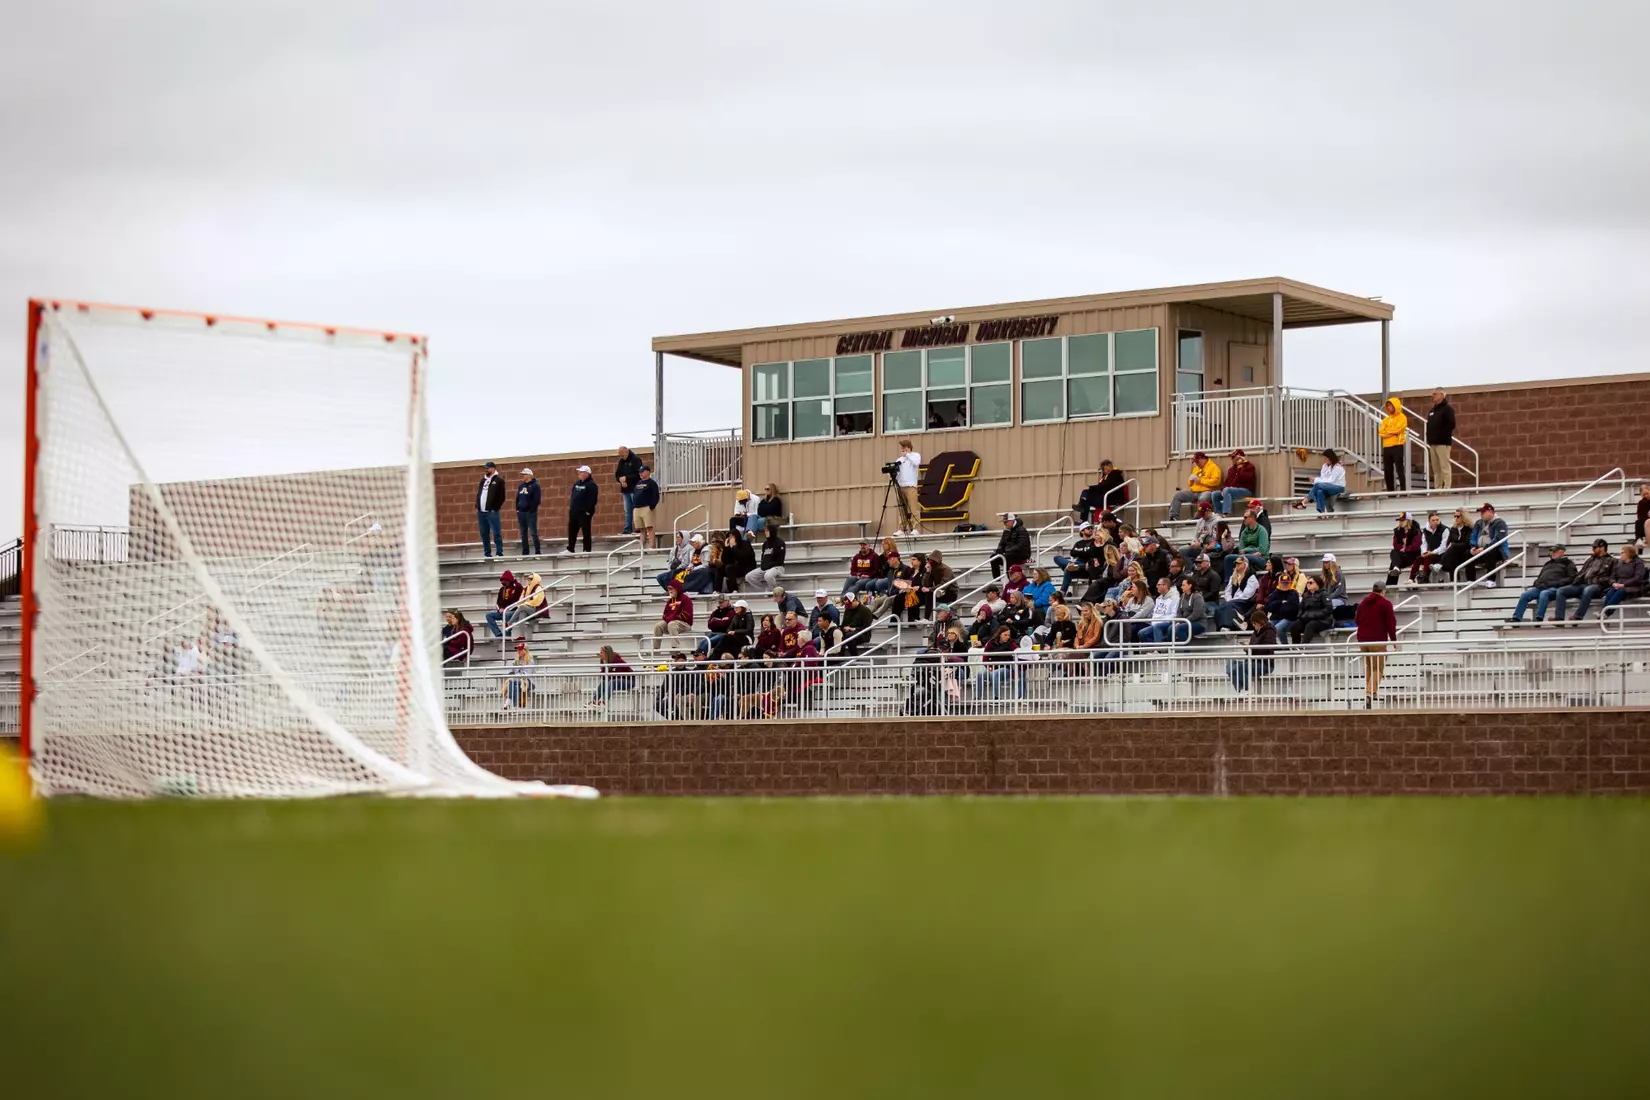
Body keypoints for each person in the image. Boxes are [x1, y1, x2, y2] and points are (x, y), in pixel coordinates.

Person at [1509, 545, 1578, 624]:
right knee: (1525, 595)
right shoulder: (1548, 564)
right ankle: (1516, 618)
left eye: (1554, 552)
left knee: (1544, 593)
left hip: (1555, 588)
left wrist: (1556, 583)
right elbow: (1540, 577)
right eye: (1552, 552)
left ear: (1561, 552)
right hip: (1542, 587)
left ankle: (1539, 618)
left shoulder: (1569, 564)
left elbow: (1572, 578)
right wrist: (1537, 583)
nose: (1552, 553)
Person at [1355, 580, 1398, 707]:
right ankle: (1370, 693)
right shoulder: (1385, 604)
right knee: (1378, 668)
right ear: (1383, 591)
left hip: (1363, 641)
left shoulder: (1363, 602)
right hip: (1377, 640)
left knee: (1369, 666)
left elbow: (1357, 620)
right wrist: (1394, 640)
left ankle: (1371, 692)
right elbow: (1391, 624)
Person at [1556, 539, 1616, 621]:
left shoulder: (1611, 560)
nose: (1593, 549)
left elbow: (1612, 577)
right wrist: (1576, 580)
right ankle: (1559, 618)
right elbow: (1581, 572)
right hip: (1584, 584)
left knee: (1588, 590)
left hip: (1599, 587)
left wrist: (1596, 580)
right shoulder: (1590, 559)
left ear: (1602, 548)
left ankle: (1578, 616)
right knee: (1561, 590)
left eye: (1595, 547)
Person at [1227, 608, 1278, 692]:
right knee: (1231, 665)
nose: (1253, 625)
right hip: (1252, 661)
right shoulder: (1255, 632)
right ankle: (1241, 690)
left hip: (1265, 664)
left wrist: (1250, 647)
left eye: (1254, 623)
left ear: (1260, 622)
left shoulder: (1270, 631)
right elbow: (1253, 648)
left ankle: (1247, 689)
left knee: (1239, 667)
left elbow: (1266, 648)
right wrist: (1247, 648)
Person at [1463, 503, 1508, 587]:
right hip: (1481, 550)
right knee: (1467, 553)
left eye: (1483, 512)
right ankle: (1471, 580)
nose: (1481, 514)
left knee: (1490, 552)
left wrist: (1485, 549)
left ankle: (1491, 580)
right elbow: (1473, 536)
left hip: (1498, 551)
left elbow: (1498, 540)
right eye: (1481, 512)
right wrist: (1474, 547)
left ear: (1491, 512)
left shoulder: (1500, 523)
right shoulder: (1478, 523)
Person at [1168, 451, 1222, 519]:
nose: (1196, 464)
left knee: (1203, 498)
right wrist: (1191, 480)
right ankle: (1173, 517)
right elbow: (1190, 485)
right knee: (1178, 495)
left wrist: (1201, 481)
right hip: (1194, 491)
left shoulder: (1213, 467)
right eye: (1195, 462)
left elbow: (1216, 481)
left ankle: (1198, 518)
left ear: (1202, 459)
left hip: (1207, 491)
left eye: (1197, 462)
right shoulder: (1196, 469)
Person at [1600, 545, 1647, 616]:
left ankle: (1605, 613)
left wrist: (1624, 584)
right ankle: (1604, 613)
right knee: (1610, 591)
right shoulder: (1619, 563)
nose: (1620, 554)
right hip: (1619, 585)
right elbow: (1612, 576)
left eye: (1622, 553)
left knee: (1620, 591)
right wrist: (1613, 583)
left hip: (1633, 587)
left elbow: (1638, 578)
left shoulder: (1638, 563)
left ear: (1629, 553)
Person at [564, 465, 599, 555]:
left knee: (586, 531)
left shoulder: (591, 485)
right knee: (572, 530)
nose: (579, 473)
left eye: (581, 472)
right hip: (574, 512)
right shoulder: (577, 483)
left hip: (584, 513)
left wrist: (587, 511)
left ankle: (586, 550)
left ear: (587, 473)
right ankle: (570, 549)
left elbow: (593, 500)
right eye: (579, 472)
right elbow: (573, 496)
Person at [1425, 390, 1456, 490]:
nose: (1433, 396)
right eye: (1432, 394)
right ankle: (1437, 489)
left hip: (1443, 443)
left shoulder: (1448, 409)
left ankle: (1446, 488)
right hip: (1433, 443)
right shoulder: (1432, 411)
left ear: (1442, 395)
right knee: (1436, 469)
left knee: (1444, 466)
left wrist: (1442, 435)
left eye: (1435, 394)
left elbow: (1451, 424)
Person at [651, 581, 694, 652]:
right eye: (669, 589)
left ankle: (675, 649)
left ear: (677, 589)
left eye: (671, 589)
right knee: (658, 625)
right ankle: (656, 649)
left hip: (684, 624)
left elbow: (686, 614)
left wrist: (673, 618)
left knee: (672, 624)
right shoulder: (670, 601)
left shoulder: (686, 599)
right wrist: (669, 618)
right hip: (671, 623)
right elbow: (665, 614)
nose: (670, 591)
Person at [1263, 565, 1301, 644]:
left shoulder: (1294, 593)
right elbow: (1268, 606)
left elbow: (1293, 609)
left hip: (1289, 619)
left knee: (1278, 628)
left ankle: (1285, 647)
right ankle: (1273, 646)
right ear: (1279, 583)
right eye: (1283, 583)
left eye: (1287, 583)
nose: (1285, 585)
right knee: (1267, 629)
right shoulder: (1275, 592)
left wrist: (1277, 607)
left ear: (1290, 583)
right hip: (1275, 618)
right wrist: (1280, 602)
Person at [1228, 509, 1270, 580]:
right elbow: (1241, 549)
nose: (1243, 519)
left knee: (1246, 557)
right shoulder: (1244, 532)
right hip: (1247, 555)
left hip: (1261, 558)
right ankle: (1229, 581)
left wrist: (1246, 550)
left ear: (1252, 518)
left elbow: (1262, 550)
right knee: (1228, 558)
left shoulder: (1262, 530)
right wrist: (1248, 551)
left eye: (1245, 517)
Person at [475, 460, 505, 560]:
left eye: (487, 468)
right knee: (484, 534)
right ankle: (487, 553)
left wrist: (495, 508)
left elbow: (502, 497)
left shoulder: (499, 480)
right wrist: (477, 506)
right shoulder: (483, 480)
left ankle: (499, 553)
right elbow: (479, 494)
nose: (486, 470)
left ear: (493, 468)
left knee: (496, 533)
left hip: (492, 512)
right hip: (481, 512)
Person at [1292, 577, 1336, 645]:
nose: (1308, 584)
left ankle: (1304, 646)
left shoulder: (1324, 594)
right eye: (1307, 583)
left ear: (1317, 584)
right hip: (1308, 619)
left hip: (1323, 620)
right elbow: (1301, 608)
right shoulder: (1306, 595)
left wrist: (1313, 615)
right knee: (1295, 626)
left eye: (1310, 583)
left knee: (1310, 625)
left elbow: (1328, 609)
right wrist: (1300, 616)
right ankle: (1295, 647)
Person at [893, 440, 924, 535]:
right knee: (902, 508)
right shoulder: (899, 460)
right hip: (901, 486)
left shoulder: (915, 455)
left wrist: (908, 455)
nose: (903, 450)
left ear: (909, 447)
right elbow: (897, 473)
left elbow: (916, 462)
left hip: (911, 486)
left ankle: (916, 528)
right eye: (902, 448)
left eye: (904, 447)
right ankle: (902, 528)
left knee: (914, 508)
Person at [1214, 450, 1258, 515]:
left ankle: (1226, 513)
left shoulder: (1249, 466)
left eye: (1233, 457)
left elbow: (1244, 478)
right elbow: (1226, 482)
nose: (1231, 459)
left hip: (1246, 491)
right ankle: (1219, 514)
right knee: (1215, 494)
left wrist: (1240, 466)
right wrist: (1223, 490)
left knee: (1227, 490)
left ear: (1240, 458)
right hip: (1231, 491)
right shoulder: (1231, 469)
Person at [1378, 396, 1408, 492]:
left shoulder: (1402, 417)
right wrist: (1391, 432)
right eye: (1388, 406)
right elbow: (1381, 433)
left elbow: (1398, 429)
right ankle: (1390, 491)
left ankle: (1403, 490)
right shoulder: (1385, 420)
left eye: (1390, 405)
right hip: (1387, 447)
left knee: (1399, 469)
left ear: (1395, 406)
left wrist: (1388, 431)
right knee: (1387, 471)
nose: (1389, 407)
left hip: (1397, 446)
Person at [1437, 508, 1474, 583]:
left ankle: (1440, 564)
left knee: (1454, 549)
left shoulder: (1469, 529)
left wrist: (1454, 545)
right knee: (1452, 552)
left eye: (1458, 516)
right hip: (1455, 552)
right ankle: (1454, 580)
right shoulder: (1453, 529)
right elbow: (1448, 542)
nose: (1456, 518)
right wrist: (1453, 545)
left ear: (1463, 517)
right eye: (1455, 516)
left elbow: (1467, 543)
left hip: (1465, 550)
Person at [484, 570, 524, 638]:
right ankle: (498, 634)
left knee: (507, 614)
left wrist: (508, 609)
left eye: (506, 582)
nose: (505, 584)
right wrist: (500, 608)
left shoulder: (518, 587)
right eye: (503, 583)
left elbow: (521, 601)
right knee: (489, 615)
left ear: (510, 580)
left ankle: (507, 636)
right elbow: (498, 602)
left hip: (515, 611)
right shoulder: (502, 589)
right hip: (504, 611)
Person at [1386, 512, 1422, 587]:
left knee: (1394, 563)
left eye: (1403, 520)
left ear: (1408, 521)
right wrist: (1403, 548)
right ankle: (1396, 569)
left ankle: (1390, 586)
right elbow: (1395, 545)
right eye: (1400, 520)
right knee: (1393, 552)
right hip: (1403, 556)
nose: (1401, 522)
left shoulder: (1416, 531)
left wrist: (1405, 549)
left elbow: (1415, 547)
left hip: (1413, 556)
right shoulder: (1397, 531)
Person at [990, 513, 1031, 579]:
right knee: (993, 557)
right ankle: (997, 580)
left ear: (1011, 521)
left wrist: (1007, 551)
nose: (1004, 524)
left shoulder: (1021, 530)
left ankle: (1011, 579)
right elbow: (1001, 543)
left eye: (1006, 522)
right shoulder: (1006, 531)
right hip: (1009, 553)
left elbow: (1021, 545)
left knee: (1007, 557)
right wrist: (999, 551)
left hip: (1021, 554)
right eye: (1004, 522)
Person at [614, 446, 643, 535]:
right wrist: (620, 480)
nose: (622, 457)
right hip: (625, 489)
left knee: (636, 508)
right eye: (621, 456)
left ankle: (638, 527)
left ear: (626, 451)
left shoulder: (636, 459)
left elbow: (638, 475)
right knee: (627, 510)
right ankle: (627, 528)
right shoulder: (621, 462)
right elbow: (617, 475)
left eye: (623, 455)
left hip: (634, 488)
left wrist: (626, 478)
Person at [1413, 510, 1447, 584]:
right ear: (1429, 521)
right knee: (1419, 558)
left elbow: (1444, 547)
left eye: (1437, 520)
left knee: (1428, 556)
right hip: (1431, 555)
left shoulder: (1445, 529)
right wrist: (1424, 552)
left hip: (1441, 555)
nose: (1436, 522)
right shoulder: (1425, 530)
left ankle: (1425, 578)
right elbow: (1424, 544)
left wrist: (1432, 552)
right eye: (1433, 520)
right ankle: (1411, 579)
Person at [836, 591, 875, 656]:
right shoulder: (848, 609)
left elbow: (866, 628)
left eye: (850, 604)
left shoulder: (865, 610)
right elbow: (844, 624)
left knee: (849, 635)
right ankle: (839, 656)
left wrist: (852, 629)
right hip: (849, 633)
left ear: (855, 600)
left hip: (862, 634)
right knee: (837, 633)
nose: (849, 607)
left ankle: (855, 657)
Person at [630, 465, 660, 549]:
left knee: (649, 528)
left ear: (648, 472)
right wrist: (634, 506)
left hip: (646, 508)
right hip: (637, 508)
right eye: (640, 472)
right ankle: (641, 548)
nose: (640, 473)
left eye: (642, 472)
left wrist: (651, 506)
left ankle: (651, 547)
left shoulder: (652, 483)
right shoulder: (638, 483)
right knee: (641, 529)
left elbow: (656, 496)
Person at [514, 467, 541, 556]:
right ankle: (525, 552)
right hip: (521, 513)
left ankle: (537, 552)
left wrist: (531, 510)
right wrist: (517, 509)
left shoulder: (535, 486)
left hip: (530, 513)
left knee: (533, 533)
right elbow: (518, 498)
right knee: (523, 533)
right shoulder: (521, 486)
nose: (523, 476)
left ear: (529, 475)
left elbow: (537, 500)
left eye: (525, 474)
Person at [502, 637, 533, 712]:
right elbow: (510, 672)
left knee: (512, 681)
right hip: (516, 681)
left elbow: (528, 674)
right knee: (515, 686)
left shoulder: (530, 660)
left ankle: (508, 702)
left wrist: (517, 676)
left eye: (520, 649)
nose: (518, 651)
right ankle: (515, 708)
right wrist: (513, 675)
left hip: (528, 682)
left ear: (525, 650)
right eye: (518, 649)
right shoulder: (516, 660)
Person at [1636, 483, 1650, 547]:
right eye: (1644, 495)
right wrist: (1645, 501)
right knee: (1638, 522)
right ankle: (1639, 539)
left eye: (1647, 493)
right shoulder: (1641, 503)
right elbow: (1640, 516)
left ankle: (1641, 539)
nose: (1646, 496)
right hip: (1646, 520)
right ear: (1641, 495)